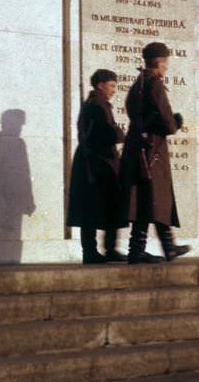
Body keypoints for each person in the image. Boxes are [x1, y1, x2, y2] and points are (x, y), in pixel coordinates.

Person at [121, 42, 191, 264]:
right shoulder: (154, 85)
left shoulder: (138, 84)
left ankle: (167, 247)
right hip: (152, 149)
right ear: (160, 62)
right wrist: (175, 123)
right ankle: (138, 251)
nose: (167, 68)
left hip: (140, 147)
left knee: (150, 198)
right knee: (151, 197)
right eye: (166, 63)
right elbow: (167, 122)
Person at [67, 69, 128, 264]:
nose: (114, 90)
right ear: (100, 85)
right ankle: (93, 252)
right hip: (95, 163)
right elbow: (107, 133)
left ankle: (105, 250)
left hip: (98, 162)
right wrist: (125, 136)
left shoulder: (96, 104)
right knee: (92, 208)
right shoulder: (96, 106)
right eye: (111, 86)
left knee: (103, 206)